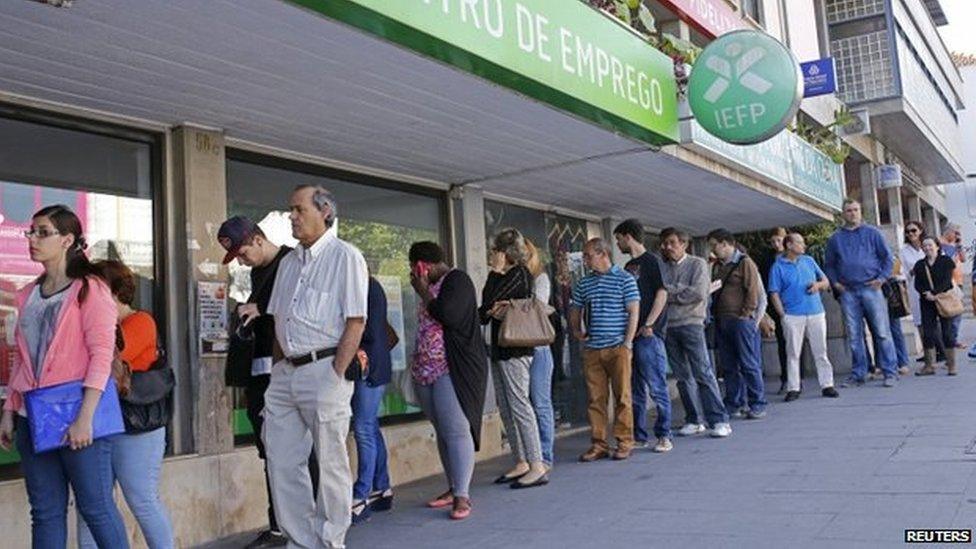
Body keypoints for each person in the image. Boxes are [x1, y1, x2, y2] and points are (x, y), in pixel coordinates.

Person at [0, 204, 129, 548]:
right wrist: (10, 410)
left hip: (78, 415)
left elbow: (102, 356)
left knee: (96, 507)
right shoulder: (26, 294)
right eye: (31, 231)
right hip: (33, 415)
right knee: (44, 511)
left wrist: (85, 417)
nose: (32, 239)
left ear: (67, 239)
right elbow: (20, 360)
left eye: (43, 232)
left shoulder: (90, 289)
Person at [264, 185, 368, 549]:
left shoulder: (346, 257)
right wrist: (278, 370)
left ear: (324, 212)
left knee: (331, 463)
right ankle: (300, 541)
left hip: (324, 369)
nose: (291, 216)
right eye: (290, 210)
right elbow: (279, 320)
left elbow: (356, 321)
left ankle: (330, 541)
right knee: (281, 462)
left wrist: (336, 373)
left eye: (298, 209)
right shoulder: (288, 263)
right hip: (286, 373)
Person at [219, 215, 308, 548]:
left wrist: (264, 309)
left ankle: (303, 523)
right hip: (260, 372)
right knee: (269, 451)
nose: (242, 261)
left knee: (296, 452)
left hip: (288, 370)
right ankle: (278, 524)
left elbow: (305, 311)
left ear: (258, 239)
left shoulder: (292, 262)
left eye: (243, 253)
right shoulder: (257, 273)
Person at [77, 260, 174, 549]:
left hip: (135, 427)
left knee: (141, 499)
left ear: (112, 290)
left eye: (93, 286)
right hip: (98, 422)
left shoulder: (139, 321)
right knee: (91, 504)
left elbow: (108, 356)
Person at [408, 241, 488, 520]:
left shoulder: (458, 280)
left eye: (414, 270)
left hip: (451, 367)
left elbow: (448, 315)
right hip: (425, 368)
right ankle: (453, 487)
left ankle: (463, 496)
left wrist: (423, 292)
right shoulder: (429, 288)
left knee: (456, 428)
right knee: (441, 429)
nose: (414, 276)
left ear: (423, 266)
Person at [479, 229, 548, 489]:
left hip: (516, 350)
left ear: (505, 253)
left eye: (494, 251)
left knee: (521, 406)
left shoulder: (518, 273)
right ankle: (521, 461)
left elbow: (486, 302)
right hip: (499, 349)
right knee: (506, 408)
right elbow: (485, 312)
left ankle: (537, 465)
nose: (491, 255)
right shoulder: (504, 276)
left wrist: (495, 275)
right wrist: (491, 305)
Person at [570, 238, 641, 461]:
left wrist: (627, 343)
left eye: (588, 255)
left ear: (603, 254)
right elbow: (575, 307)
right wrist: (575, 329)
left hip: (617, 347)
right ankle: (599, 444)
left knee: (623, 396)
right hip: (592, 348)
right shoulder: (584, 283)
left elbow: (633, 312)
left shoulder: (625, 279)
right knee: (595, 399)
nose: (585, 259)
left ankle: (624, 441)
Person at [660, 228, 732, 438]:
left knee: (703, 372)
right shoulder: (663, 267)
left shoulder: (697, 264)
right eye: (665, 243)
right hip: (669, 326)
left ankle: (719, 420)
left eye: (673, 242)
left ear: (684, 244)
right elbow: (661, 291)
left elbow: (699, 293)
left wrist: (672, 292)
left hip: (692, 323)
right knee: (682, 376)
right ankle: (693, 419)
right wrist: (678, 290)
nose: (668, 247)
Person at [824, 198, 898, 387]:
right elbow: (830, 265)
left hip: (871, 288)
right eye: (849, 210)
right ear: (843, 214)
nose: (853, 213)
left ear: (860, 211)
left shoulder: (873, 233)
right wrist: (835, 283)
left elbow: (888, 259)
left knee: (882, 332)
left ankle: (890, 372)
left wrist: (881, 279)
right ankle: (859, 373)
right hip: (848, 291)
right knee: (855, 335)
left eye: (856, 209)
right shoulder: (835, 239)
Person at [613, 219, 673, 454]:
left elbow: (662, 293)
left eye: (618, 239)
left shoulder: (652, 262)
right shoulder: (629, 267)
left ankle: (664, 435)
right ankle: (639, 435)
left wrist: (650, 324)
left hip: (648, 335)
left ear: (628, 237)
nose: (617, 244)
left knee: (657, 386)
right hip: (631, 336)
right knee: (635, 388)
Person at [767, 233, 839, 401]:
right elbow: (774, 293)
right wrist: (782, 315)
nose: (803, 245)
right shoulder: (778, 267)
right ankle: (793, 387)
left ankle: (827, 385)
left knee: (821, 350)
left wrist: (818, 285)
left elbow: (826, 281)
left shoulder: (809, 261)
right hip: (792, 315)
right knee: (792, 353)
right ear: (789, 245)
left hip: (816, 311)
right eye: (800, 242)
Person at [706, 229, 768, 420]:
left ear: (726, 244)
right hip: (722, 319)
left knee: (749, 363)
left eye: (714, 245)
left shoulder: (744, 262)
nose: (713, 250)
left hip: (741, 321)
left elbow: (753, 291)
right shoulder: (718, 266)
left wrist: (746, 314)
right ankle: (734, 402)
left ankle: (757, 403)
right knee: (729, 365)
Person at [350, 275, 394, 524]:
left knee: (363, 428)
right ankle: (382, 487)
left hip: (368, 364)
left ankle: (361, 494)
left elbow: (363, 328)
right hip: (376, 362)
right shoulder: (371, 285)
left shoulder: (363, 286)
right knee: (370, 426)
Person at [524, 238, 556, 469]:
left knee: (541, 402)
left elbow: (537, 306)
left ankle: (545, 455)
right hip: (518, 350)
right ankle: (530, 455)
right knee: (524, 404)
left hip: (538, 347)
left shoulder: (540, 278)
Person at [913, 237, 960, 376]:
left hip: (943, 299)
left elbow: (947, 281)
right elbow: (917, 284)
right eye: (925, 245)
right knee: (927, 332)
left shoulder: (946, 262)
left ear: (937, 246)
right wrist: (926, 293)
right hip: (926, 302)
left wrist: (935, 293)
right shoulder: (919, 265)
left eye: (930, 245)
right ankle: (929, 365)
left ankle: (951, 365)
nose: (927, 248)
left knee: (947, 332)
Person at [757, 227, 790, 394]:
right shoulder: (767, 260)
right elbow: (763, 283)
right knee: (783, 342)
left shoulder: (795, 257)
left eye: (779, 240)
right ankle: (786, 378)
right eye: (773, 241)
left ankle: (796, 377)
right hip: (776, 306)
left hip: (794, 304)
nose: (777, 244)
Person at [899, 221, 927, 358]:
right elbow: (902, 272)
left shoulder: (927, 245)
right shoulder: (904, 251)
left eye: (914, 230)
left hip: (932, 287)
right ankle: (927, 351)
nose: (911, 234)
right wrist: (912, 271)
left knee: (935, 320)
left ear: (920, 230)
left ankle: (940, 349)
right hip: (915, 287)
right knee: (919, 320)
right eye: (908, 232)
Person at [939, 223, 966, 349]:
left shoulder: (955, 246)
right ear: (948, 232)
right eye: (956, 233)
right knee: (952, 312)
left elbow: (963, 259)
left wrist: (959, 246)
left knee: (958, 312)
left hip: (958, 282)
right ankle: (950, 340)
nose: (957, 236)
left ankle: (953, 339)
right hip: (950, 283)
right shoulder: (941, 244)